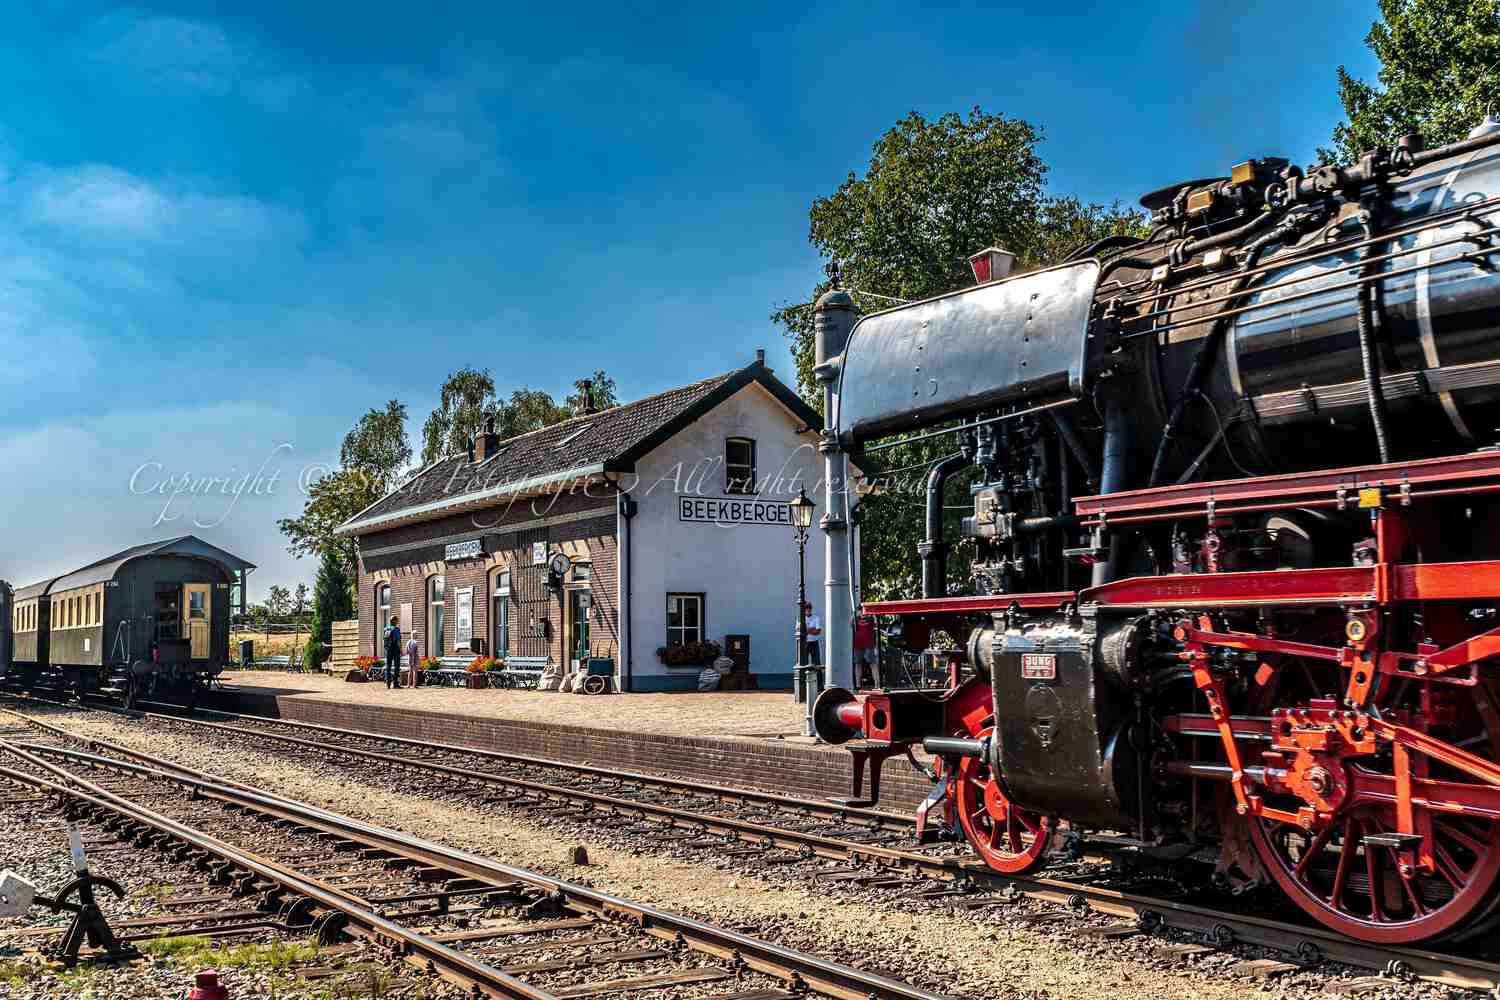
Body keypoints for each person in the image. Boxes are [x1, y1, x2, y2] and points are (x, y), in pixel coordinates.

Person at [853, 613, 879, 688]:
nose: (862, 613)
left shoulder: (871, 617)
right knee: (858, 663)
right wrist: (854, 615)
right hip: (858, 643)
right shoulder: (856, 617)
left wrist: (872, 615)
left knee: (872, 663)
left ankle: (877, 684)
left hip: (869, 644)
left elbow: (876, 624)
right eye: (860, 610)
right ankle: (858, 685)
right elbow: (851, 624)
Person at [795, 601, 822, 665]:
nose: (808, 611)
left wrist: (806, 630)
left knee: (816, 661)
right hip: (805, 642)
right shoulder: (800, 619)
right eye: (807, 609)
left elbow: (818, 631)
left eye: (809, 609)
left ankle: (818, 675)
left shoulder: (816, 618)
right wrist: (812, 629)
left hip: (814, 642)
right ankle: (805, 675)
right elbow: (799, 630)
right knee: (804, 662)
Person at [383, 616, 402, 689]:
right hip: (395, 649)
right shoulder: (396, 629)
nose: (397, 622)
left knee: (388, 666)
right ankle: (395, 683)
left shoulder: (386, 628)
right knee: (397, 666)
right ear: (394, 621)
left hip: (388, 650)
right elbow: (397, 640)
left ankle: (388, 683)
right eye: (397, 621)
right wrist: (400, 649)